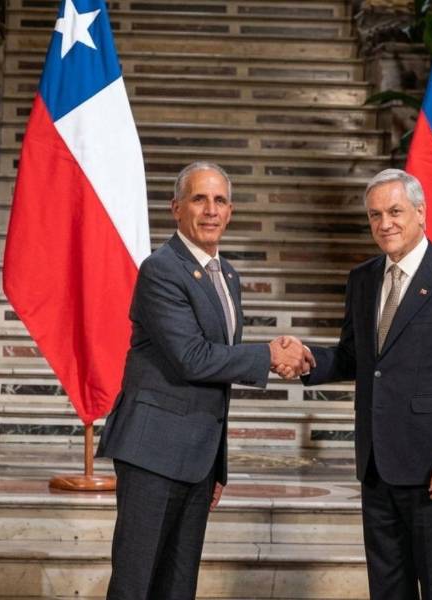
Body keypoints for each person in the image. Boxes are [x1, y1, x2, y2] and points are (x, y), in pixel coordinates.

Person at [97, 162, 313, 600]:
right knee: (136, 583)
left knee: (178, 585)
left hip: (197, 458)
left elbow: (220, 373)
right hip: (152, 452)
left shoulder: (226, 275)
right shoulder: (161, 269)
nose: (211, 210)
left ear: (230, 211)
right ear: (176, 208)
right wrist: (270, 355)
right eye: (199, 199)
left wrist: (217, 465)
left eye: (220, 201)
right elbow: (192, 358)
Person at [296, 168, 432, 600]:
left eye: (395, 211)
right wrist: (307, 359)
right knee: (386, 588)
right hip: (377, 464)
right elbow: (354, 357)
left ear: (420, 213)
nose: (384, 223)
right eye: (375, 215)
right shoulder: (363, 278)